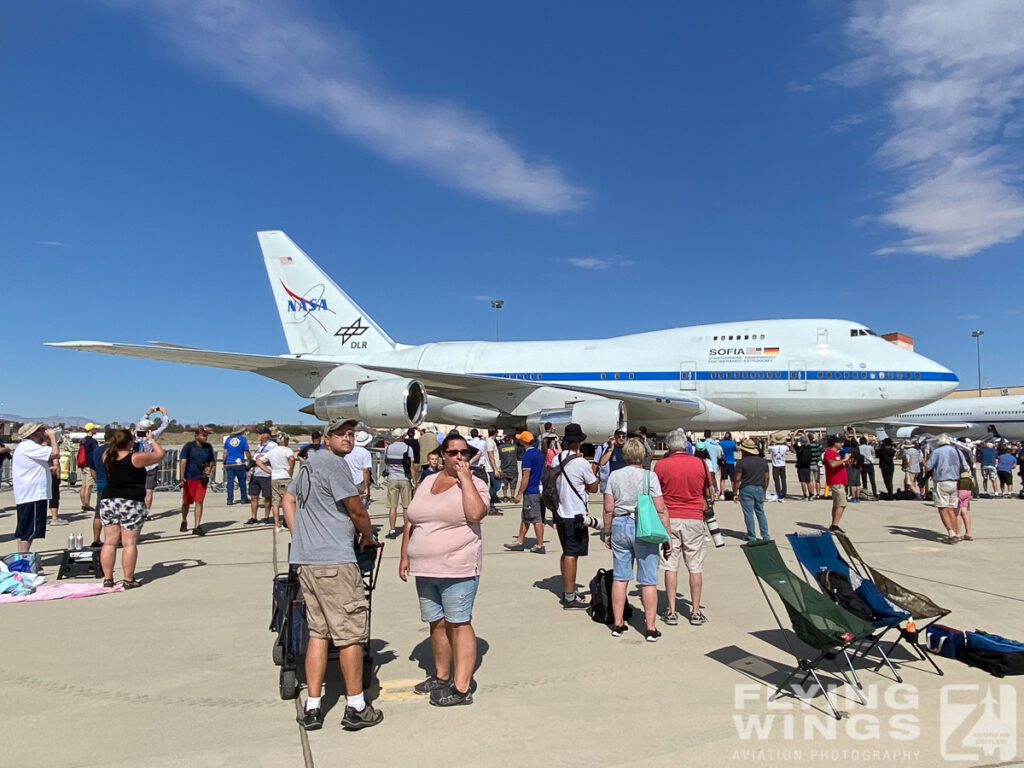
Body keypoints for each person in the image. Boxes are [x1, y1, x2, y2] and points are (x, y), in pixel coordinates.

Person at [283, 418, 383, 731]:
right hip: (334, 562)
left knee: (319, 632)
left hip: (307, 560)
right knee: (350, 634)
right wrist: (367, 535)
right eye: (341, 434)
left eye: (352, 434)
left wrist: (298, 532)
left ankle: (312, 706)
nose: (348, 439)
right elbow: (356, 508)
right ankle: (356, 705)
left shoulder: (309, 465)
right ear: (328, 438)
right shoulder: (336, 466)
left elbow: (288, 497)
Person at [399, 433, 489, 707]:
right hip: (425, 568)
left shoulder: (476, 484)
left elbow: (475, 514)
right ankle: (441, 675)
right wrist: (405, 555)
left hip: (458, 566)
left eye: (464, 452)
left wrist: (465, 479)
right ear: (442, 454)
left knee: (458, 623)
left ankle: (461, 688)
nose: (459, 457)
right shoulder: (427, 481)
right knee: (436, 623)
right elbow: (411, 519)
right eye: (453, 452)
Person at [602, 437, 669, 641]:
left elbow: (608, 508)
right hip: (644, 525)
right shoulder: (650, 477)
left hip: (621, 524)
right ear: (643, 455)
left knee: (621, 577)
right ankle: (650, 627)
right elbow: (661, 508)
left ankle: (618, 623)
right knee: (648, 579)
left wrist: (607, 531)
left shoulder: (614, 476)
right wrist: (667, 535)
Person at [655, 430, 712, 627]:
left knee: (671, 565)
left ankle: (671, 611)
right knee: (695, 566)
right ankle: (695, 611)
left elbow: (656, 493)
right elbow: (707, 490)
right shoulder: (699, 463)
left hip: (669, 518)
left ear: (669, 447)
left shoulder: (661, 466)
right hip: (694, 517)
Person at [99, 428, 164, 588]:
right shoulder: (136, 457)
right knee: (129, 543)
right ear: (129, 442)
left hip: (109, 500)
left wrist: (127, 435)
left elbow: (116, 445)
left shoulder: (107, 455)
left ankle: (108, 578)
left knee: (109, 542)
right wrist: (150, 439)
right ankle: (128, 579)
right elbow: (159, 454)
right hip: (131, 501)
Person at [551, 423, 599, 610]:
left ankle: (567, 589)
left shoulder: (557, 460)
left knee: (566, 552)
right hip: (575, 515)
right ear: (578, 443)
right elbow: (594, 486)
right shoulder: (581, 463)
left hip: (560, 513)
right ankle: (570, 598)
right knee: (572, 554)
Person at [11, 423, 59, 554]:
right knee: (29, 531)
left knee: (25, 530)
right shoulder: (28, 446)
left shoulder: (27, 447)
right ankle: (24, 559)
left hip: (28, 494)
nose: (43, 432)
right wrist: (52, 437)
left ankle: (22, 557)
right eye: (40, 430)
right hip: (33, 494)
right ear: (32, 434)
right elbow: (54, 453)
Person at [505, 430, 546, 553]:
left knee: (536, 518)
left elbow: (526, 477)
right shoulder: (539, 454)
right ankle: (520, 541)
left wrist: (518, 494)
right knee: (526, 517)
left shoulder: (528, 456)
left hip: (531, 491)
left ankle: (540, 545)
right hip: (539, 488)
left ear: (523, 441)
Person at [178, 426, 215, 536]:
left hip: (201, 479)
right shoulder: (189, 446)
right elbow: (183, 462)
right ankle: (184, 520)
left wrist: (209, 467)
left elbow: (212, 461)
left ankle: (197, 526)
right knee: (186, 502)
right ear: (196, 435)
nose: (205, 437)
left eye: (206, 435)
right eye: (203, 435)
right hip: (189, 478)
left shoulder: (208, 447)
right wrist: (181, 478)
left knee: (199, 501)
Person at [733, 438, 770, 543]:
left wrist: (735, 492)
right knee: (760, 512)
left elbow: (737, 478)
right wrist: (764, 490)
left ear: (744, 451)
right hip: (759, 487)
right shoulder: (763, 462)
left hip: (746, 488)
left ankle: (752, 536)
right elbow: (766, 478)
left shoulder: (741, 463)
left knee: (749, 514)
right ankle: (765, 535)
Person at [257, 434, 295, 532]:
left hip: (275, 477)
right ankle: (288, 522)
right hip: (284, 477)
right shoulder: (287, 450)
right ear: (285, 441)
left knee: (276, 502)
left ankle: (277, 523)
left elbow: (259, 461)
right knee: (287, 500)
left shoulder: (272, 451)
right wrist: (291, 469)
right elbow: (291, 459)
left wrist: (269, 471)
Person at [384, 429, 417, 539]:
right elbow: (411, 467)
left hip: (392, 478)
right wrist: (414, 481)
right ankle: (407, 531)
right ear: (402, 436)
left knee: (392, 506)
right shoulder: (408, 448)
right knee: (406, 506)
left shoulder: (388, 448)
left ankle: (392, 530)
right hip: (404, 479)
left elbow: (387, 462)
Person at [136, 406, 169, 510]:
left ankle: (139, 509)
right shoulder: (153, 435)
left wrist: (148, 412)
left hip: (138, 464)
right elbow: (164, 426)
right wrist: (164, 413)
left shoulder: (136, 434)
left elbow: (140, 422)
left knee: (139, 489)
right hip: (151, 465)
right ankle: (147, 511)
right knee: (149, 491)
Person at [88, 429, 116, 548]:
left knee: (98, 513)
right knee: (115, 515)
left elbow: (92, 469)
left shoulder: (96, 451)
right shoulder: (114, 451)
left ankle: (96, 539)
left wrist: (97, 480)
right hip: (113, 485)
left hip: (101, 483)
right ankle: (113, 539)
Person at [247, 427, 277, 525]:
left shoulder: (273, 446)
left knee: (267, 497)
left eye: (260, 433)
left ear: (266, 435)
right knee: (253, 496)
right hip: (255, 473)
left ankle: (266, 517)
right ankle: (253, 517)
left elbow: (274, 458)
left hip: (266, 475)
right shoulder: (258, 446)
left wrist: (263, 458)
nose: (258, 435)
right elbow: (254, 459)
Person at [824, 435, 853, 532]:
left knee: (837, 504)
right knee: (841, 503)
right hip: (835, 481)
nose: (841, 444)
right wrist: (844, 459)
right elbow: (832, 464)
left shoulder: (837, 454)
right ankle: (835, 525)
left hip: (840, 481)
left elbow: (839, 465)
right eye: (839, 442)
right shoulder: (829, 453)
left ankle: (834, 524)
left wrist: (846, 462)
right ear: (835, 443)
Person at [223, 427, 251, 505]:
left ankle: (229, 499)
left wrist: (224, 461)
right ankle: (244, 498)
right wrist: (250, 459)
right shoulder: (242, 439)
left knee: (230, 482)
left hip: (230, 463)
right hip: (239, 463)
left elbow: (225, 452)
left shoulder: (228, 439)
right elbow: (246, 451)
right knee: (242, 482)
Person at [346, 430, 374, 509]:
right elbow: (365, 471)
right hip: (360, 481)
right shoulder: (365, 453)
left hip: (350, 480)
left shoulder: (349, 451)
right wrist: (366, 487)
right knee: (362, 505)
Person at [79, 423, 100, 513]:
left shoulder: (82, 440)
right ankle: (87, 504)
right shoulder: (92, 441)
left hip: (83, 464)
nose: (96, 430)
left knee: (83, 485)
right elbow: (95, 453)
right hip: (89, 464)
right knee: (89, 485)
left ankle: (83, 503)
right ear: (91, 430)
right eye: (95, 429)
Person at [484, 426, 503, 514]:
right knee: (497, 486)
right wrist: (495, 469)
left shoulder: (491, 441)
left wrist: (498, 468)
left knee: (493, 486)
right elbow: (491, 456)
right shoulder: (490, 442)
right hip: (491, 468)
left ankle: (491, 506)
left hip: (494, 467)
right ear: (495, 433)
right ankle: (486, 500)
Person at [767, 435, 788, 502]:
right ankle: (784, 493)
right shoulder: (784, 447)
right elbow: (788, 447)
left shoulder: (773, 447)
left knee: (777, 481)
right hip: (782, 465)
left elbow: (767, 446)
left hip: (776, 465)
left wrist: (770, 439)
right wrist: (785, 442)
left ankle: (779, 493)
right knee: (783, 480)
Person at [497, 434, 519, 501]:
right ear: (510, 440)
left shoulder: (500, 447)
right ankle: (512, 497)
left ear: (504, 440)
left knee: (504, 484)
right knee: (513, 484)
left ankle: (505, 497)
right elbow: (518, 454)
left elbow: (499, 457)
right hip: (513, 469)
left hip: (504, 468)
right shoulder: (515, 446)